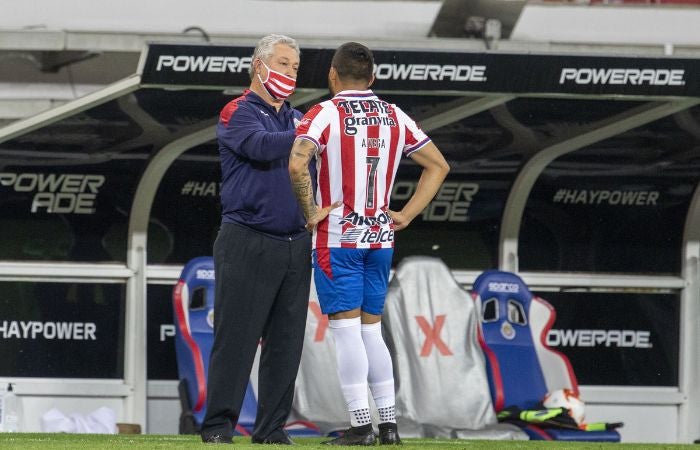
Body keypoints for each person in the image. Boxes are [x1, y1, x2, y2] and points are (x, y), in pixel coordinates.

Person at [289, 42, 450, 445]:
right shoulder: (395, 115)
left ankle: (360, 426)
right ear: (373, 78)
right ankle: (389, 427)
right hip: (380, 237)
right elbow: (438, 165)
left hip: (339, 236)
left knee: (346, 333)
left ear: (332, 74)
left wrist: (311, 211)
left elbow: (296, 161)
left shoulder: (324, 113)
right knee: (371, 332)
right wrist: (408, 213)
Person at [200, 33, 326, 445]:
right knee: (236, 339)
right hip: (247, 239)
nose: (291, 72)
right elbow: (260, 146)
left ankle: (271, 430)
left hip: (294, 243)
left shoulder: (296, 117)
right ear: (259, 65)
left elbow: (314, 169)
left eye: (295, 66)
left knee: (286, 345)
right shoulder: (237, 112)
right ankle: (219, 426)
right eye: (284, 63)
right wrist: (309, 132)